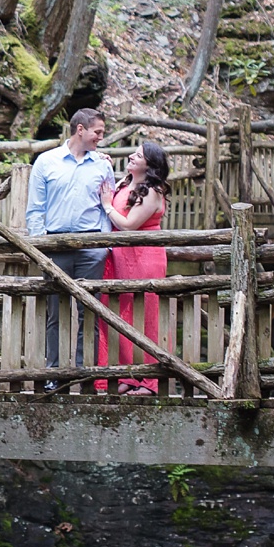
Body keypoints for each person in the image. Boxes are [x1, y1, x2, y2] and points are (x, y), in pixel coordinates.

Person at [26, 109, 114, 390]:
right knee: (55, 312)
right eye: (97, 132)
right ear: (80, 130)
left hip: (91, 246)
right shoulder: (46, 161)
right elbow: (36, 208)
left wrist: (104, 243)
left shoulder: (103, 165)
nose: (101, 137)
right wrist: (40, 244)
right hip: (55, 245)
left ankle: (84, 375)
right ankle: (54, 374)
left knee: (89, 312)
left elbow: (107, 204)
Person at [97, 141, 171, 394]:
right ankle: (128, 375)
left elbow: (129, 225)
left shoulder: (152, 191)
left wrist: (107, 206)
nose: (131, 156)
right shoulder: (125, 183)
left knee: (145, 314)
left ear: (149, 164)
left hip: (144, 256)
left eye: (137, 155)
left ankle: (150, 380)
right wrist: (101, 160)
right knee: (120, 312)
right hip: (120, 256)